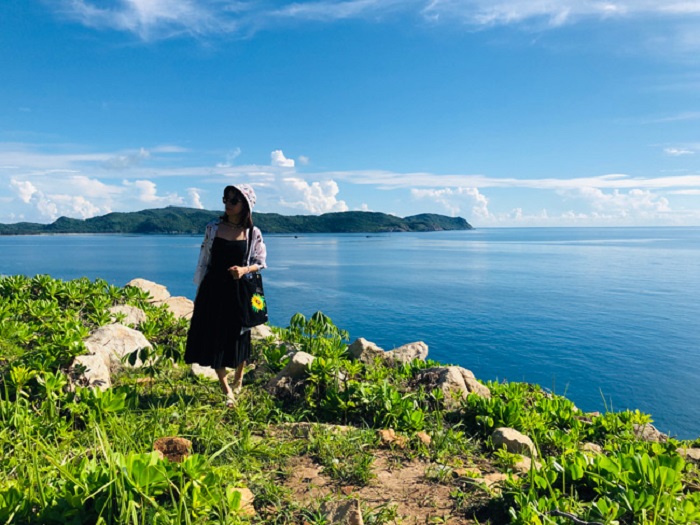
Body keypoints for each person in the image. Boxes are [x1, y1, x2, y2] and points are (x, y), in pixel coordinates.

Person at [185, 184, 267, 407]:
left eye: (233, 201)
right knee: (213, 336)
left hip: (237, 290)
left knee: (240, 335)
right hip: (212, 288)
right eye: (226, 199)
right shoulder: (213, 228)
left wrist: (243, 270)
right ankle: (226, 388)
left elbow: (261, 263)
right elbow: (205, 259)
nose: (228, 204)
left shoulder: (253, 233)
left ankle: (239, 378)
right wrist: (199, 288)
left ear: (245, 205)